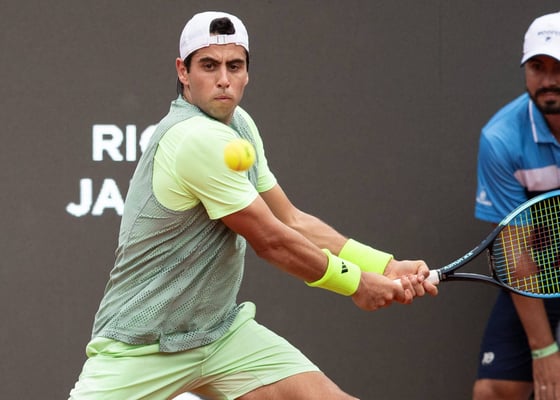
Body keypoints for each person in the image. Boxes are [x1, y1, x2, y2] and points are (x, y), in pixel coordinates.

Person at [68, 11, 438, 400]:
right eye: (208, 66)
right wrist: (357, 283)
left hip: (220, 336)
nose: (223, 79)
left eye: (234, 66)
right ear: (183, 71)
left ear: (247, 73)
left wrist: (383, 266)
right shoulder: (194, 138)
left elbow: (291, 220)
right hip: (143, 345)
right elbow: (272, 241)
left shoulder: (239, 125)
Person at [472, 11, 560, 400]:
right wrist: (543, 350)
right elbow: (515, 252)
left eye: (559, 67)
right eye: (538, 67)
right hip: (542, 273)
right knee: (494, 391)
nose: (549, 80)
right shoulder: (501, 139)